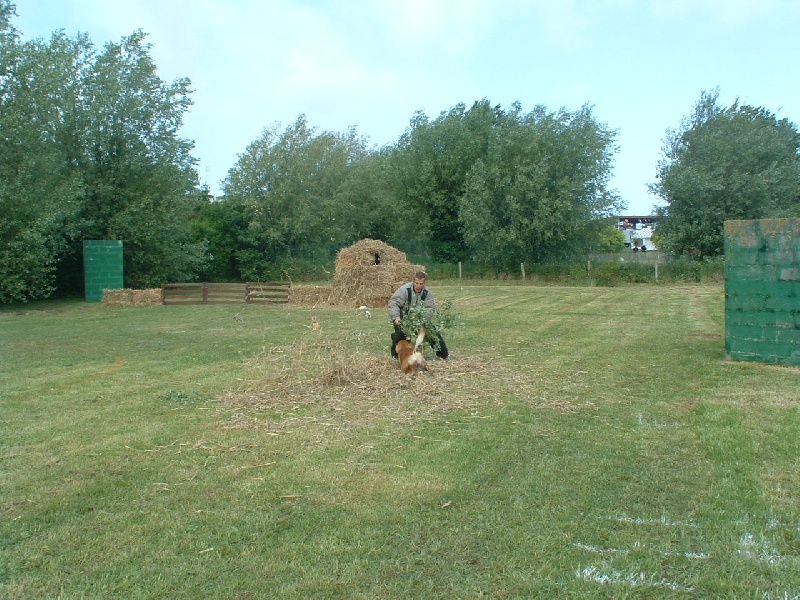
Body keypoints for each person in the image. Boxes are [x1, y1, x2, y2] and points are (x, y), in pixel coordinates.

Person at [388, 271, 448, 360]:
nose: (418, 286)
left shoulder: (427, 293)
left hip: (419, 320)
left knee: (433, 334)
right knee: (400, 336)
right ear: (413, 281)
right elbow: (393, 303)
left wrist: (421, 321)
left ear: (424, 283)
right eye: (416, 283)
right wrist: (396, 317)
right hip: (403, 319)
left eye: (421, 284)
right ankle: (395, 356)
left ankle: (444, 356)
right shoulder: (404, 290)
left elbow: (429, 309)